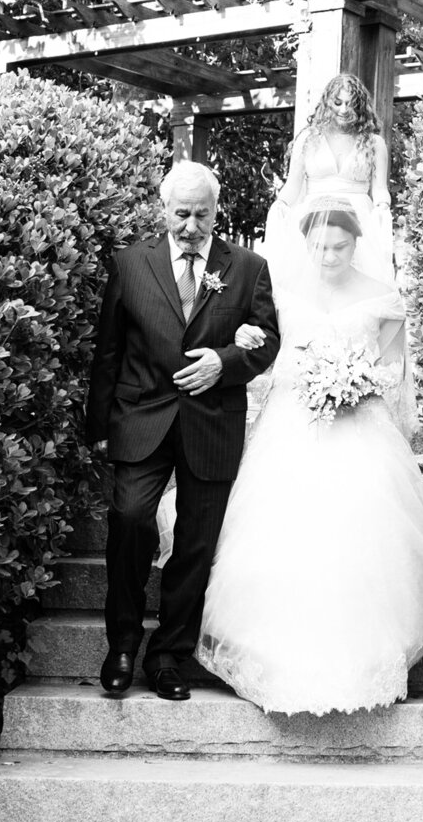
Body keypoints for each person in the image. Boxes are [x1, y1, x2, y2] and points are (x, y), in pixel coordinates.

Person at [196, 201, 423, 715]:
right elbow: (261, 344)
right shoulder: (279, 290)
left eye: (340, 246)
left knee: (365, 529)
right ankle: (268, 646)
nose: (328, 255)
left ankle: (371, 649)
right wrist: (258, 346)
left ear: (357, 245)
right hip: (292, 421)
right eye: (320, 246)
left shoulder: (382, 297)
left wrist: (357, 383)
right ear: (305, 244)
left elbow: (392, 371)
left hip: (359, 422)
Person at [86, 163, 280, 701]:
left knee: (196, 543)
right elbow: (109, 349)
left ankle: (167, 655)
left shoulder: (248, 267)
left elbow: (266, 342)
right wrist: (98, 426)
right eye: (181, 213)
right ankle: (121, 644)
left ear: (217, 211)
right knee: (129, 519)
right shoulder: (130, 264)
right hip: (140, 416)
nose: (192, 225)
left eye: (203, 213)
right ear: (164, 209)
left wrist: (226, 361)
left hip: (211, 423)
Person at [263, 74, 394, 286]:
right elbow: (293, 185)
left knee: (359, 283)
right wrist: (280, 205)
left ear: (360, 106)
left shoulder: (374, 143)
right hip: (314, 215)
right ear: (328, 103)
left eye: (350, 104)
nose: (343, 110)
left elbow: (380, 188)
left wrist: (382, 206)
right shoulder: (308, 138)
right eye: (338, 102)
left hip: (357, 218)